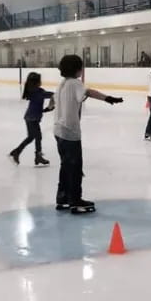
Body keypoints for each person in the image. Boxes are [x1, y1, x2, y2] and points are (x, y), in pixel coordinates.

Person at [54, 55, 123, 214]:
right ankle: (75, 201)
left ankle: (63, 197)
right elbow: (88, 92)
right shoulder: (76, 83)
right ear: (78, 69)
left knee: (65, 166)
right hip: (70, 132)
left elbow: (56, 100)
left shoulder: (61, 84)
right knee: (75, 168)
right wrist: (107, 98)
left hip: (58, 131)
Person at [9, 72, 54, 166]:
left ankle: (17, 152)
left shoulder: (34, 91)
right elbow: (50, 95)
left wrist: (47, 109)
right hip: (32, 118)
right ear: (37, 82)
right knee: (37, 136)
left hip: (30, 117)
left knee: (31, 137)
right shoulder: (38, 92)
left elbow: (40, 103)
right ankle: (37, 156)